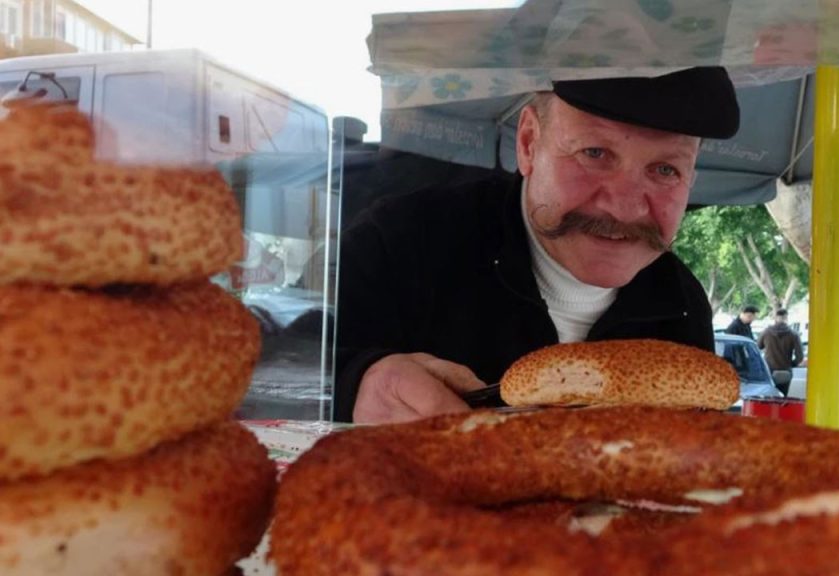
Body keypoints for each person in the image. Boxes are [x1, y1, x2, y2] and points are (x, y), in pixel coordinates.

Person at [335, 67, 741, 424]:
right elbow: (300, 363)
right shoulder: (401, 240)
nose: (624, 207)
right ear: (529, 143)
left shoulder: (682, 305)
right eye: (595, 153)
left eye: (666, 169)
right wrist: (360, 381)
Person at [757, 309, 804, 395]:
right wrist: (791, 364)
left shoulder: (766, 332)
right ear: (786, 318)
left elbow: (758, 347)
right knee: (783, 397)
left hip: (769, 369)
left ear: (775, 318)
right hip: (785, 370)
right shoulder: (793, 334)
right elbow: (800, 356)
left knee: (769, 396)